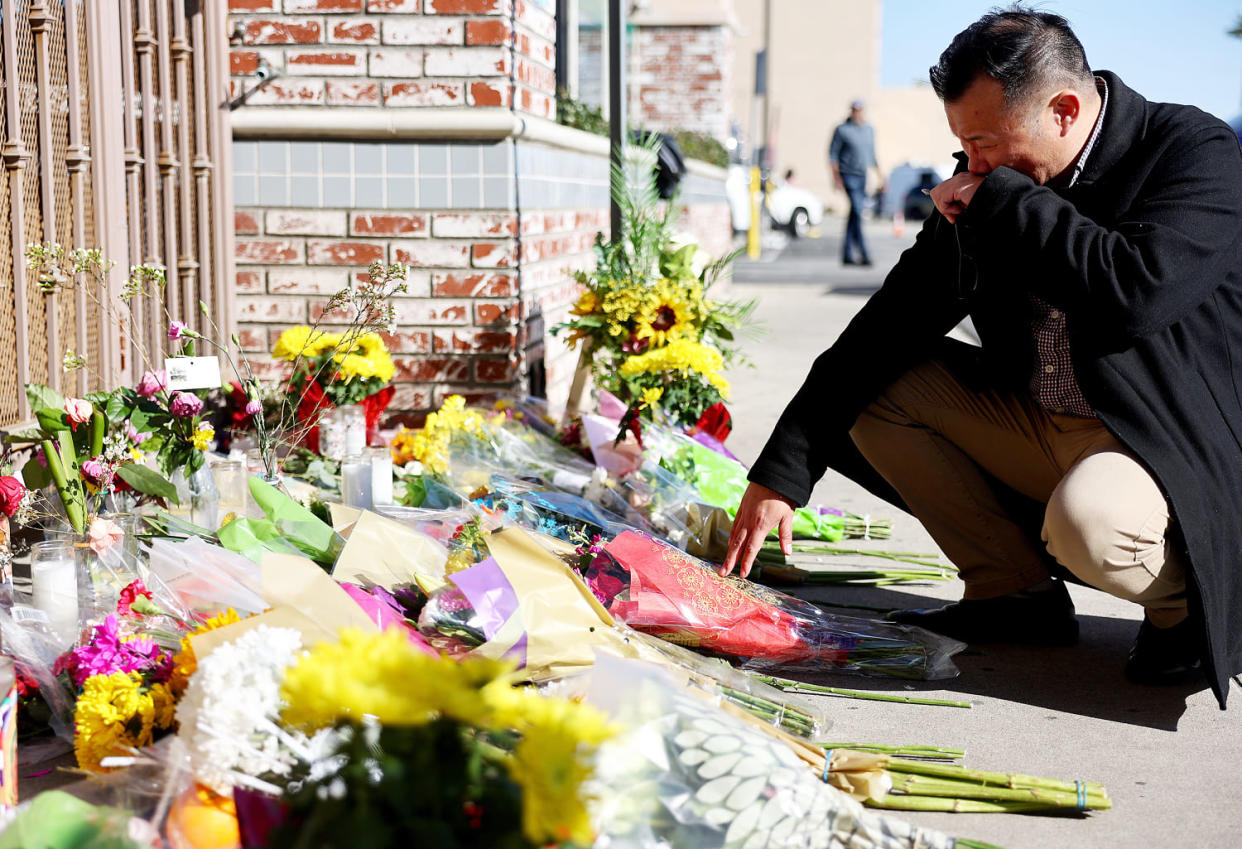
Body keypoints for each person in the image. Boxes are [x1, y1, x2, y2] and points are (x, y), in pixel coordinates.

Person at [723, 7, 1242, 710]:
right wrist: (781, 473)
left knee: (1093, 523)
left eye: (984, 142)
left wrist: (1005, 200)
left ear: (1064, 110)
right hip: (1040, 420)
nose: (972, 165)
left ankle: (1185, 612)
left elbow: (1135, 290)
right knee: (878, 383)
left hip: (1161, 441)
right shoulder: (993, 188)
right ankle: (1012, 593)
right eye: (963, 146)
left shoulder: (1189, 149)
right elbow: (886, 327)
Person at [828, 100, 885, 266]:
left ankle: (846, 254)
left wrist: (881, 176)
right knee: (858, 211)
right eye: (854, 110)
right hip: (848, 176)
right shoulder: (842, 130)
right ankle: (864, 254)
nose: (857, 113)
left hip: (862, 176)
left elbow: (872, 154)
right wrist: (836, 178)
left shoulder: (869, 130)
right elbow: (833, 156)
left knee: (854, 214)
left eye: (859, 110)